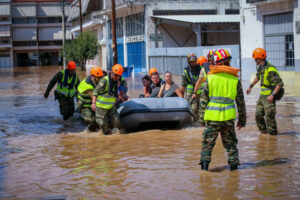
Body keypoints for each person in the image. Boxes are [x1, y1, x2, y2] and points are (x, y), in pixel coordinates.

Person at [199, 49, 246, 171]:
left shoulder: (210, 78)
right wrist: (242, 120)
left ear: (216, 62)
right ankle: (234, 172)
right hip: (228, 119)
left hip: (212, 118)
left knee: (207, 145)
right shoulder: (235, 80)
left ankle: (205, 172)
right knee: (231, 146)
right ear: (228, 62)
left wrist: (201, 119)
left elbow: (203, 101)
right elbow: (241, 103)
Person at [246, 48, 283, 135]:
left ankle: (273, 138)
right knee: (258, 115)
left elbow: (280, 84)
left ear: (260, 58)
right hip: (262, 97)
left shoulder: (270, 69)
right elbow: (258, 77)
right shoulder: (261, 68)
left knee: (269, 118)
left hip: (269, 97)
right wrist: (250, 86)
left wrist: (272, 95)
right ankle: (264, 133)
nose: (255, 60)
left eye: (256, 58)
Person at [91, 64, 123, 135]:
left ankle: (118, 134)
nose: (116, 77)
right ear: (111, 72)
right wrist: (93, 103)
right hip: (101, 106)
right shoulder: (104, 81)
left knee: (117, 122)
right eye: (115, 75)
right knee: (104, 127)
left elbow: (115, 93)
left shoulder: (116, 81)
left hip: (111, 106)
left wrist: (117, 100)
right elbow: (95, 92)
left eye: (118, 76)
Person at [77, 66, 104, 131]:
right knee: (91, 122)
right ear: (93, 77)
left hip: (92, 104)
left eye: (101, 77)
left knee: (98, 121)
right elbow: (95, 98)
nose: (101, 79)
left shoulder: (95, 80)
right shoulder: (88, 86)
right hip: (84, 105)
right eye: (99, 78)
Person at [181, 53, 202, 121]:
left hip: (200, 92)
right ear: (189, 62)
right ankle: (194, 123)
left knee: (202, 109)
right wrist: (181, 97)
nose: (193, 62)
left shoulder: (200, 68)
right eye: (191, 61)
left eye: (194, 61)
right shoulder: (186, 71)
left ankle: (200, 122)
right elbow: (183, 85)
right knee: (193, 109)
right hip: (190, 94)